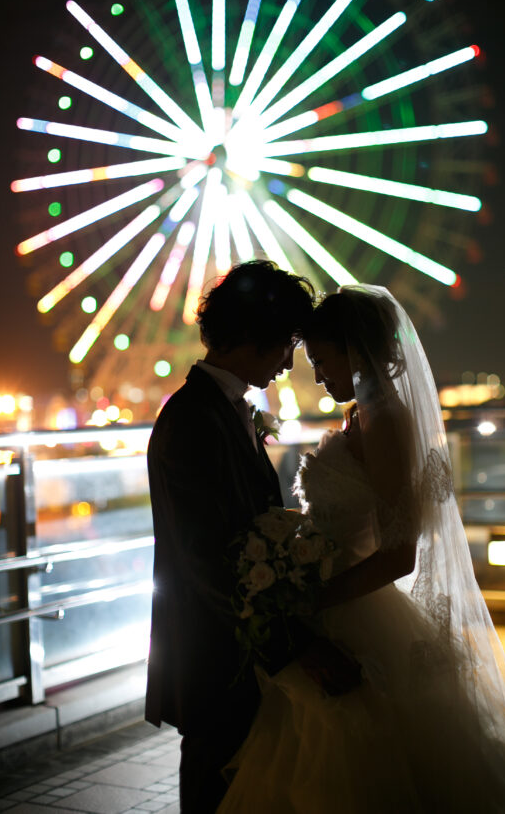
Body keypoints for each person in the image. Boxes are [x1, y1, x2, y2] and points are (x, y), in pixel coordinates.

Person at [217, 284, 505, 813]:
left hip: (350, 608)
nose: (318, 375)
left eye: (322, 360)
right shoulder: (363, 416)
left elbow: (399, 553)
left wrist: (311, 598)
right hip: (337, 600)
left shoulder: (386, 421)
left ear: (356, 350)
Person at [145, 261, 359, 814]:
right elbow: (205, 560)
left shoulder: (227, 409)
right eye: (287, 343)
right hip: (214, 657)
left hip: (237, 652)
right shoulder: (193, 418)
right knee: (215, 790)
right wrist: (296, 648)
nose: (290, 362)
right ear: (256, 336)